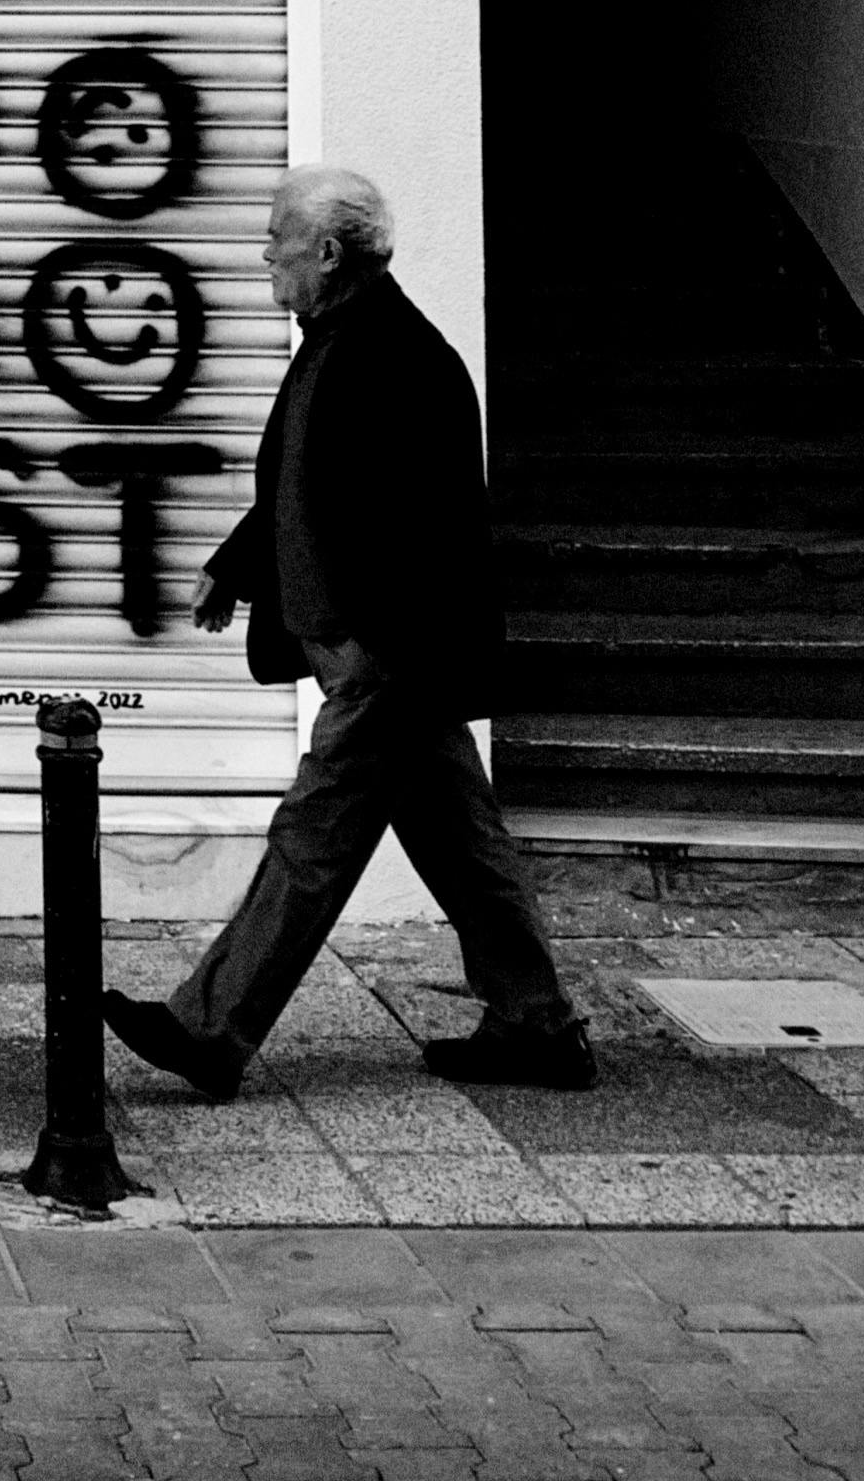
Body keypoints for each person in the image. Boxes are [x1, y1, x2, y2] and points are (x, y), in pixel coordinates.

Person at [103, 164, 594, 1101]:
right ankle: (536, 1025)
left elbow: (424, 528)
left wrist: (378, 657)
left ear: (329, 253)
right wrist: (240, 564)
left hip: (389, 658)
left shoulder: (401, 360)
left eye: (278, 237)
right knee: (467, 849)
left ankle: (211, 1028)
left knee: (312, 838)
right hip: (380, 657)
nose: (264, 253)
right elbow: (309, 481)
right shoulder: (343, 340)